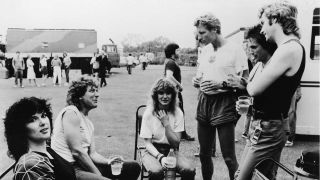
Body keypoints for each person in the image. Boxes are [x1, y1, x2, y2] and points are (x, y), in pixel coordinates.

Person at [235, 2, 306, 179]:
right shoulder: (289, 47)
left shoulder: (288, 48)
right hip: (265, 125)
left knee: (243, 177)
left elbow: (254, 88)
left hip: (270, 128)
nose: (263, 29)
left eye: (264, 23)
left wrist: (247, 84)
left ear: (274, 19)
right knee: (259, 176)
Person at [192, 13, 248, 180]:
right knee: (204, 154)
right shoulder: (204, 49)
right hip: (204, 101)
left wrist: (221, 84)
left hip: (224, 102)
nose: (198, 36)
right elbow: (201, 75)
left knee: (229, 158)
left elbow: (245, 82)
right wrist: (197, 81)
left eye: (202, 33)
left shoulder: (235, 49)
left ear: (215, 29)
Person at [51, 76, 141, 180]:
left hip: (83, 164)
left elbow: (92, 154)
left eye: (97, 91)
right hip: (69, 169)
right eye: (92, 91)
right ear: (79, 96)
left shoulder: (88, 123)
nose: (97, 95)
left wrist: (108, 161)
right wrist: (98, 175)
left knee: (132, 166)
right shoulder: (71, 113)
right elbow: (77, 152)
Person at [4, 97, 76, 180]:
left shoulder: (47, 149)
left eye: (43, 115)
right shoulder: (30, 165)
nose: (42, 122)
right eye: (32, 120)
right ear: (20, 128)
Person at [140, 78, 196, 180]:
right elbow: (147, 143)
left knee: (189, 170)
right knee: (156, 172)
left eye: (168, 93)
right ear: (155, 95)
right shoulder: (149, 113)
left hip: (172, 151)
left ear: (173, 95)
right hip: (151, 151)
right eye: (161, 93)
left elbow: (175, 143)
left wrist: (166, 123)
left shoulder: (178, 113)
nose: (165, 96)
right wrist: (160, 157)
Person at [239, 25, 277, 138]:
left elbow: (257, 91)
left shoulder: (274, 66)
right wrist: (249, 106)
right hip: (256, 124)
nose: (250, 51)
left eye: (254, 47)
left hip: (268, 126)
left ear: (267, 46)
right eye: (249, 47)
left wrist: (245, 84)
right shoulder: (259, 65)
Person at [164, 43, 195, 141]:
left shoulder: (171, 62)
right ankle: (181, 135)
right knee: (178, 113)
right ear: (173, 52)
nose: (180, 52)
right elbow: (169, 76)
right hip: (174, 92)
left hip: (174, 91)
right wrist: (180, 85)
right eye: (178, 50)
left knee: (178, 113)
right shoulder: (171, 63)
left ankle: (182, 134)